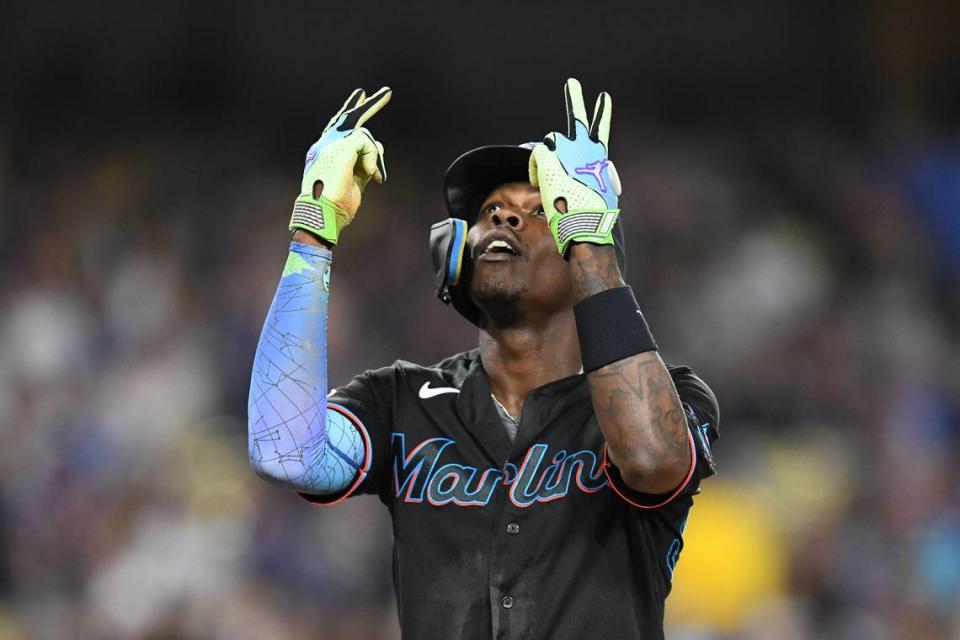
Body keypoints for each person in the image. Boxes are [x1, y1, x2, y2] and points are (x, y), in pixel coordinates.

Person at [248, 79, 719, 640]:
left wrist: (591, 237)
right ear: (452, 258)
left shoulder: (672, 394)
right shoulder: (401, 401)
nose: (505, 219)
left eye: (542, 209)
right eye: (491, 210)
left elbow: (648, 457)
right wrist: (311, 232)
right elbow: (285, 453)